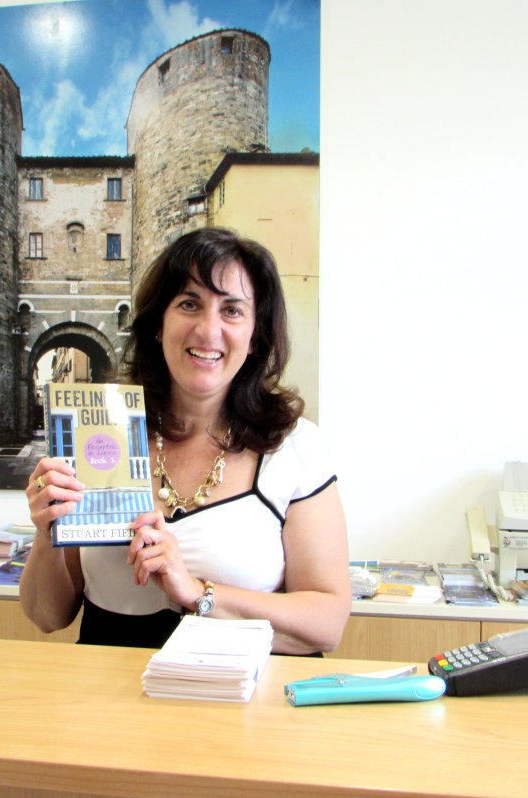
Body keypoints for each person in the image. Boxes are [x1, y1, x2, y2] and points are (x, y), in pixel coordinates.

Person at [20, 227, 350, 655]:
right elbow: (48, 616)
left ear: (255, 337)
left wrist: (197, 593)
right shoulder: (102, 431)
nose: (208, 330)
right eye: (189, 304)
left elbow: (327, 623)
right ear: (159, 324)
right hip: (108, 706)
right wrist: (47, 533)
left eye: (232, 311)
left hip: (239, 708)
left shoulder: (293, 446)